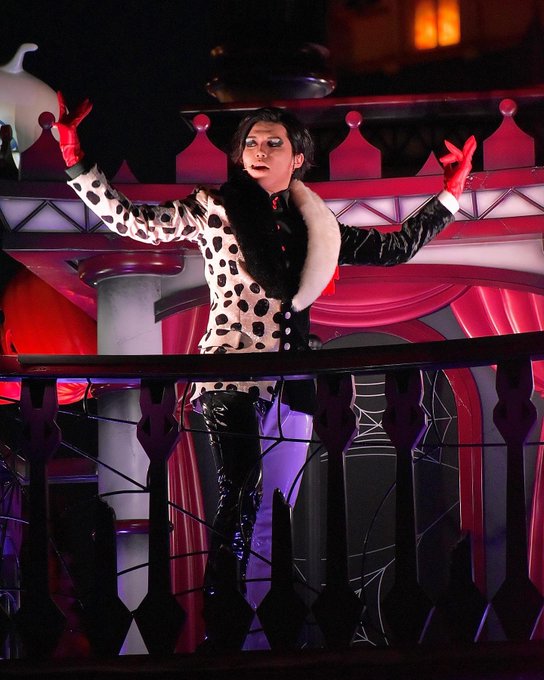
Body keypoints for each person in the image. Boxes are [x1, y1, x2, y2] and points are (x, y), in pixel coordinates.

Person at [53, 93, 476, 648]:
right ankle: (222, 611)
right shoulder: (213, 206)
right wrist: (75, 158)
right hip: (230, 373)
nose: (258, 150)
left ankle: (257, 631)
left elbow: (393, 249)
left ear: (298, 158)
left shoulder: (315, 225)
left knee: (276, 514)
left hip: (290, 383)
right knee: (241, 488)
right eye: (250, 142)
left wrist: (450, 193)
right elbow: (133, 221)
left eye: (273, 142)